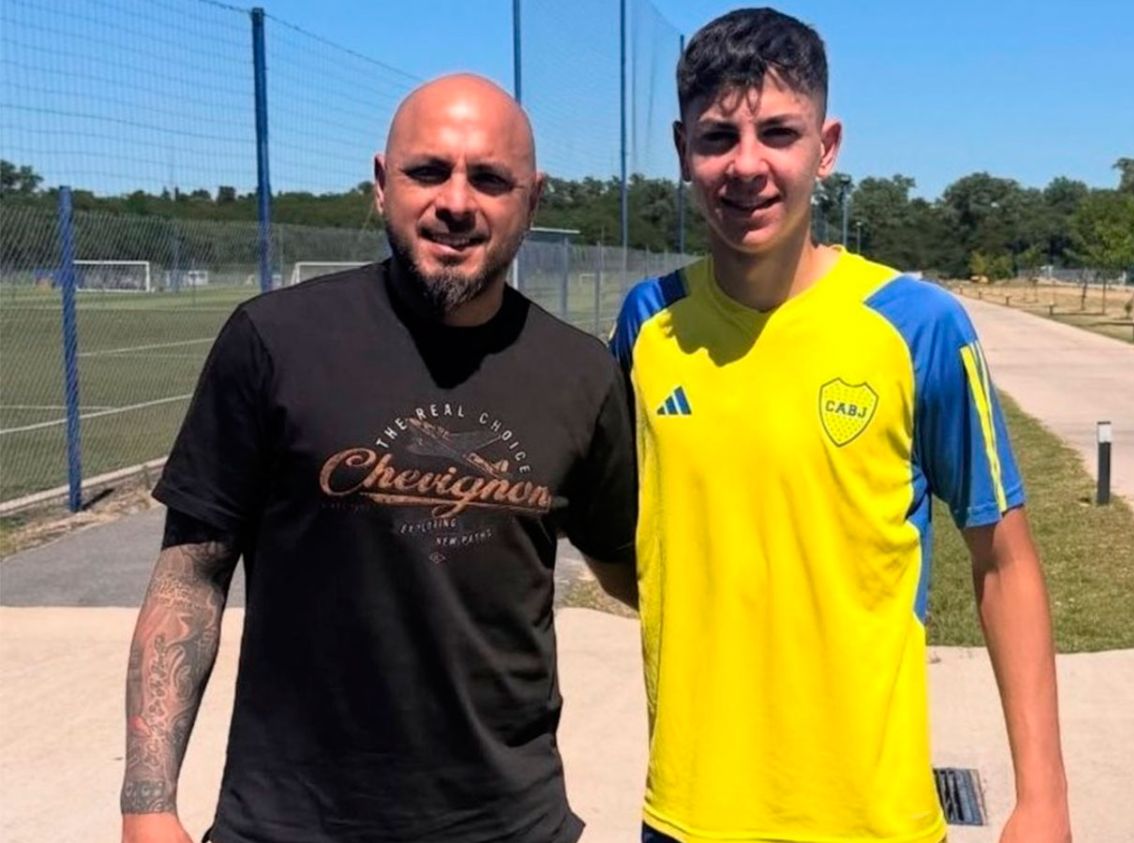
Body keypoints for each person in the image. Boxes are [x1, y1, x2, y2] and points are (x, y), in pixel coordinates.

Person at [120, 74, 637, 843]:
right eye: (427, 171)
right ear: (381, 184)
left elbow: (637, 569)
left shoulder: (581, 374)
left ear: (533, 199)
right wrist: (146, 803)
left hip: (506, 824)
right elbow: (191, 574)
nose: (456, 202)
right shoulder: (274, 340)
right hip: (291, 822)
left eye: (490, 179)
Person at [610, 9, 1070, 843]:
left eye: (778, 133)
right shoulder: (648, 323)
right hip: (687, 814)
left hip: (870, 818)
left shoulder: (918, 326)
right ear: (682, 149)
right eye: (717, 137)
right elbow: (620, 537)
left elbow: (1004, 561)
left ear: (826, 147)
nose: (746, 165)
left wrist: (1043, 800)